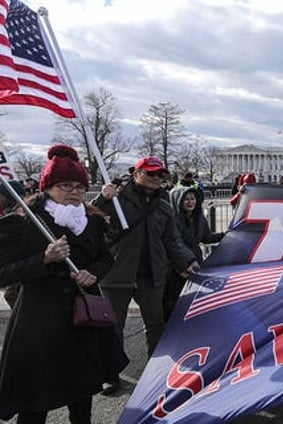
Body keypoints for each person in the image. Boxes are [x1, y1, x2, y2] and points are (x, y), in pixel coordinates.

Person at [0, 144, 128, 423]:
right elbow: (3, 272)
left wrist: (93, 272)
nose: (74, 192)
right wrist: (44, 259)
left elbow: (106, 258)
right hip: (40, 321)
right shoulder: (26, 221)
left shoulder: (92, 221)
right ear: (47, 187)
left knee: (82, 390)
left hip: (84, 318)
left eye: (80, 187)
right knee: (36, 397)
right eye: (65, 185)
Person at [93, 156, 198, 392]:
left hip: (152, 273)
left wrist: (187, 260)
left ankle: (157, 372)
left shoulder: (164, 205)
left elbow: (171, 240)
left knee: (156, 323)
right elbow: (88, 221)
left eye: (160, 174)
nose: (156, 178)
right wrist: (102, 199)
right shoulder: (116, 197)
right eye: (150, 173)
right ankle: (111, 373)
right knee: (112, 326)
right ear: (136, 173)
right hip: (117, 271)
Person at [164, 186, 224, 322]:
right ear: (177, 201)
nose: (190, 202)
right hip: (177, 266)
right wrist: (188, 261)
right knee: (176, 302)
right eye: (186, 199)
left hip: (195, 262)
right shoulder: (171, 219)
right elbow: (176, 242)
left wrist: (224, 235)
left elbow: (206, 237)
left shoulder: (199, 218)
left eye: (192, 199)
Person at [0, 180, 26, 309]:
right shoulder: (10, 211)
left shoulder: (21, 212)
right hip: (16, 262)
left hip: (23, 262)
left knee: (12, 294)